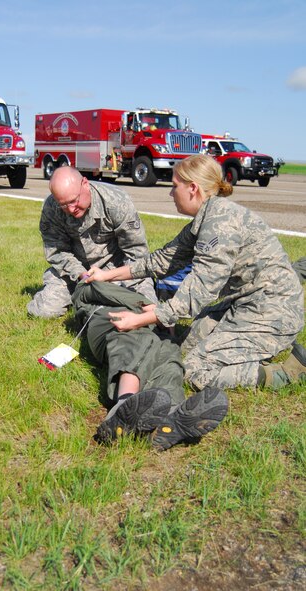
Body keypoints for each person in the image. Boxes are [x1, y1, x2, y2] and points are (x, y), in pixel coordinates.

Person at [86, 154, 305, 391]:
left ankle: (285, 372)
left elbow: (199, 290)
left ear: (192, 188)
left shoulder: (220, 223)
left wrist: (142, 318)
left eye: (174, 186)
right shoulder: (206, 218)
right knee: (185, 347)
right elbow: (161, 261)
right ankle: (254, 347)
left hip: (273, 312)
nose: (171, 194)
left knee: (193, 371)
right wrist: (105, 275)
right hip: (245, 303)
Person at [72, 279, 228, 450]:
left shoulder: (145, 281)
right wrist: (152, 308)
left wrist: (159, 317)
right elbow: (89, 289)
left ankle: (170, 418)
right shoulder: (92, 282)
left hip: (153, 325)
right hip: (111, 321)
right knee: (135, 338)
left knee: (168, 352)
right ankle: (123, 405)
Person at [27, 166, 156, 318]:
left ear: (85, 184)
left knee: (146, 309)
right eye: (64, 205)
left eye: (74, 201)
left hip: (117, 271)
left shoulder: (116, 202)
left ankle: (95, 297)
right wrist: (81, 274)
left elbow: (136, 253)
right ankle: (84, 296)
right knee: (45, 311)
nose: (71, 209)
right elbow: (57, 251)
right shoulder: (52, 207)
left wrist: (111, 276)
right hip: (75, 274)